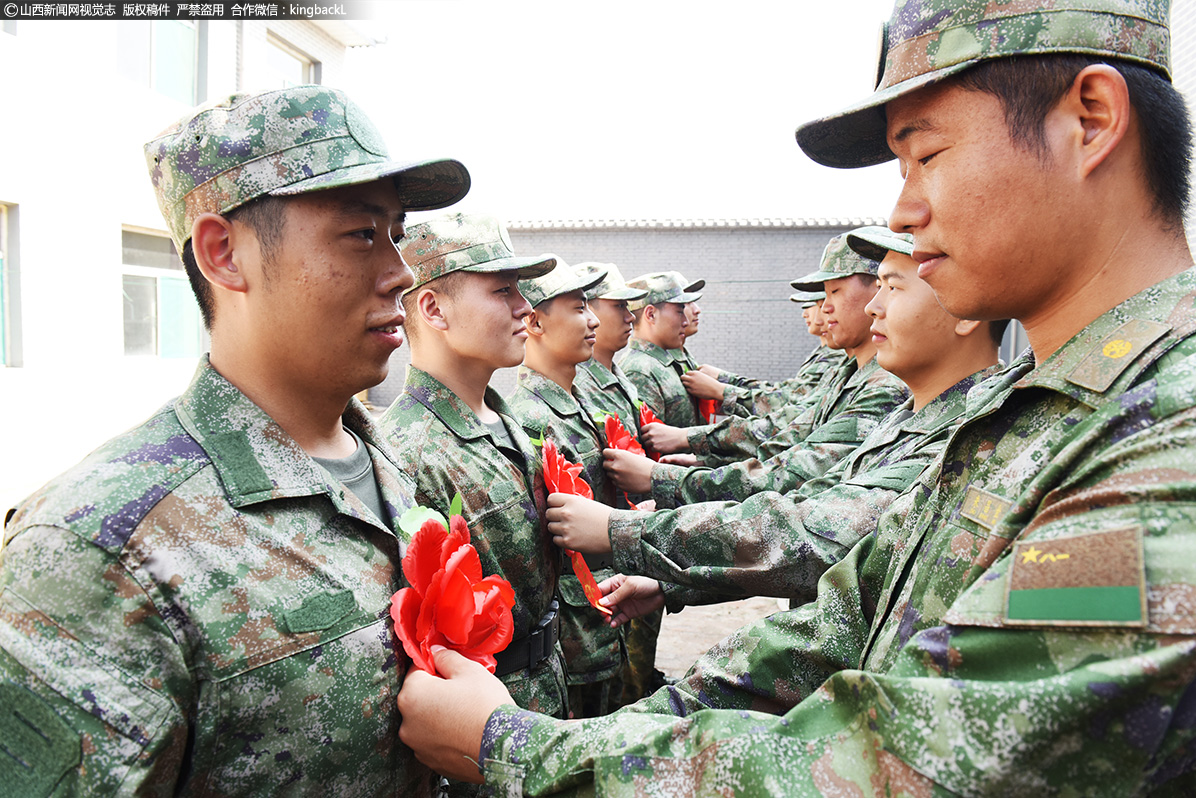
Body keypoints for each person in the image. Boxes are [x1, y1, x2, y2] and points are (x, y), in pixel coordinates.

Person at [396, 0, 1196, 792]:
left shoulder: (1168, 440)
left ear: (1090, 121)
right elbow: (835, 630)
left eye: (929, 156)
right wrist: (590, 735)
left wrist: (516, 752)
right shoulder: (1034, 411)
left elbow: (893, 768)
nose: (905, 211)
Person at [0, 85, 470, 795]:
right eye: (360, 233)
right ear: (224, 254)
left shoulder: (395, 467)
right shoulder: (98, 547)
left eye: (397, 234)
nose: (402, 272)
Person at [548, 226, 1006, 613]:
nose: (871, 309)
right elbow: (813, 491)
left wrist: (627, 524)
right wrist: (672, 579)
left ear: (960, 306)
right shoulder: (909, 415)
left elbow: (810, 529)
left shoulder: (952, 422)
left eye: (893, 287)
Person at [378, 213, 569, 720]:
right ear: (434, 308)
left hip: (549, 693)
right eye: (503, 290)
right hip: (483, 725)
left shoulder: (513, 425)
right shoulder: (404, 454)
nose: (525, 308)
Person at [617, 234, 909, 508]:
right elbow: (789, 435)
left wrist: (678, 470)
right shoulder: (849, 372)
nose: (823, 309)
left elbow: (795, 464)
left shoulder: (882, 384)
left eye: (833, 292)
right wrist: (699, 460)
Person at [504, 260, 628, 718]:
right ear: (534, 322)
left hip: (605, 615)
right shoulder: (530, 418)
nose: (593, 320)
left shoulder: (576, 401)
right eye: (579, 308)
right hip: (576, 636)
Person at [570, 263, 669, 704]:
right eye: (618, 306)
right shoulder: (581, 387)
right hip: (606, 577)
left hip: (637, 549)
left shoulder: (617, 379)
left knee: (635, 677)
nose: (630, 315)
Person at [617, 272, 703, 427]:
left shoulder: (661, 362)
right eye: (679, 312)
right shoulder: (639, 371)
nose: (685, 321)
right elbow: (652, 445)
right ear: (650, 315)